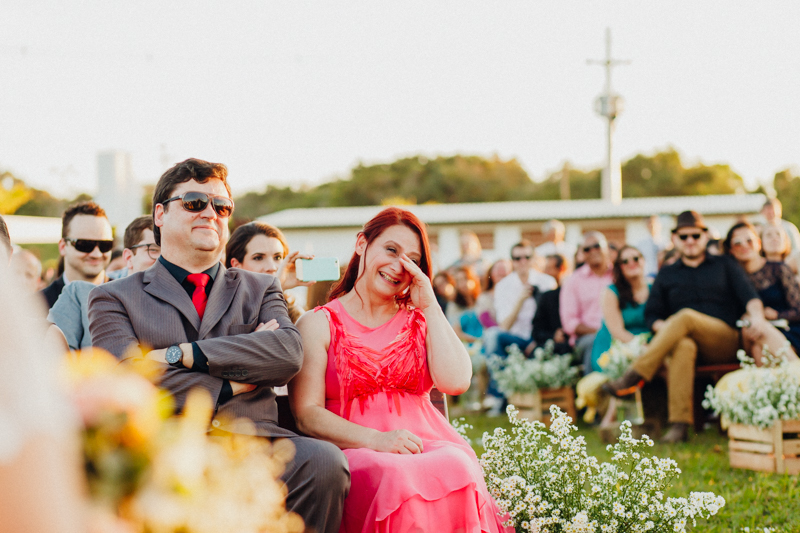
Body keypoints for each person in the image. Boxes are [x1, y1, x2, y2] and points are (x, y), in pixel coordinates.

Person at [88, 158, 349, 532]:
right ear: (160, 214)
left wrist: (184, 354)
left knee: (323, 461)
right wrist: (231, 381)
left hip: (258, 444)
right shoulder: (113, 297)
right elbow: (127, 378)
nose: (210, 212)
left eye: (221, 206)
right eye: (195, 202)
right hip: (167, 448)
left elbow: (287, 355)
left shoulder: (261, 287)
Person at [289, 207, 511, 533]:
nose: (399, 266)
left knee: (459, 465)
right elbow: (306, 414)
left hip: (426, 443)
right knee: (395, 476)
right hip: (359, 448)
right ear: (362, 244)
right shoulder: (318, 323)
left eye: (412, 260)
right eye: (391, 250)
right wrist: (377, 439)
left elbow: (457, 381)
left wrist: (430, 306)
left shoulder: (419, 320)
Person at [604, 211, 772, 443]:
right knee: (683, 344)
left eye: (695, 235)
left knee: (685, 317)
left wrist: (758, 317)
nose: (690, 241)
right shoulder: (667, 273)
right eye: (684, 237)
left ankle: (634, 374)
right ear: (675, 239)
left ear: (704, 236)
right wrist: (668, 328)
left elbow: (750, 297)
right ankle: (681, 425)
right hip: (690, 346)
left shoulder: (725, 265)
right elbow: (653, 315)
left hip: (724, 340)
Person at [49, 215, 160, 351]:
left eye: (168, 251)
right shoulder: (80, 294)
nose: (162, 259)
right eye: (153, 250)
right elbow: (55, 358)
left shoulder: (181, 303)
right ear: (128, 257)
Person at [724, 221, 800, 356]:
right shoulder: (731, 279)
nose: (745, 246)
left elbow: (798, 309)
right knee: (755, 341)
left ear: (758, 244)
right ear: (731, 250)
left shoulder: (779, 269)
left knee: (759, 350)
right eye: (737, 243)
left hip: (788, 330)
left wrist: (777, 315)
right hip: (750, 336)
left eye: (749, 241)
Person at [225, 221, 313, 323]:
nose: (272, 267)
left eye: (277, 257)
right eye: (258, 258)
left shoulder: (293, 310)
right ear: (236, 265)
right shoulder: (224, 307)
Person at [589, 246, 652, 372]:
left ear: (643, 261)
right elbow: (617, 331)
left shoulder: (654, 287)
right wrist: (644, 348)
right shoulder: (611, 292)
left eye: (635, 258)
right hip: (618, 344)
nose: (631, 263)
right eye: (625, 261)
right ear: (620, 267)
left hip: (650, 341)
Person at [41, 201, 113, 308]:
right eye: (85, 244)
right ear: (63, 246)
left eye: (105, 245)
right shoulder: (36, 306)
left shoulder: (128, 298)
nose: (97, 254)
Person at [560, 231, 614, 372]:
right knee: (595, 342)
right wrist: (602, 333)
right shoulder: (573, 282)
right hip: (587, 338)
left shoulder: (618, 275)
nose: (593, 251)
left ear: (606, 248)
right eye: (587, 249)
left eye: (597, 246)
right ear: (582, 254)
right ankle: (592, 391)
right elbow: (570, 323)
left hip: (619, 332)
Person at [531, 254, 571, 354]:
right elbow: (536, 331)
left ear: (561, 269)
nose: (545, 273)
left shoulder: (573, 293)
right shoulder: (546, 297)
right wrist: (553, 336)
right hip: (550, 345)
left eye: (549, 269)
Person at [474, 258, 511, 329]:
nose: (501, 271)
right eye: (498, 269)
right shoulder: (484, 297)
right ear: (492, 274)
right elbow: (485, 319)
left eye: (504, 269)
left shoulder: (515, 294)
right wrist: (502, 330)